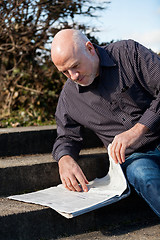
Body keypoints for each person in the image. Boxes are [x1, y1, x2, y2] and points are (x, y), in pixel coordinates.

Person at [51, 29, 160, 217]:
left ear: (90, 48)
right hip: (136, 158)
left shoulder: (129, 53)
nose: (73, 76)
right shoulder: (69, 96)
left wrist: (139, 129)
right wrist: (64, 159)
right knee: (144, 176)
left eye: (75, 66)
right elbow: (66, 136)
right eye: (65, 72)